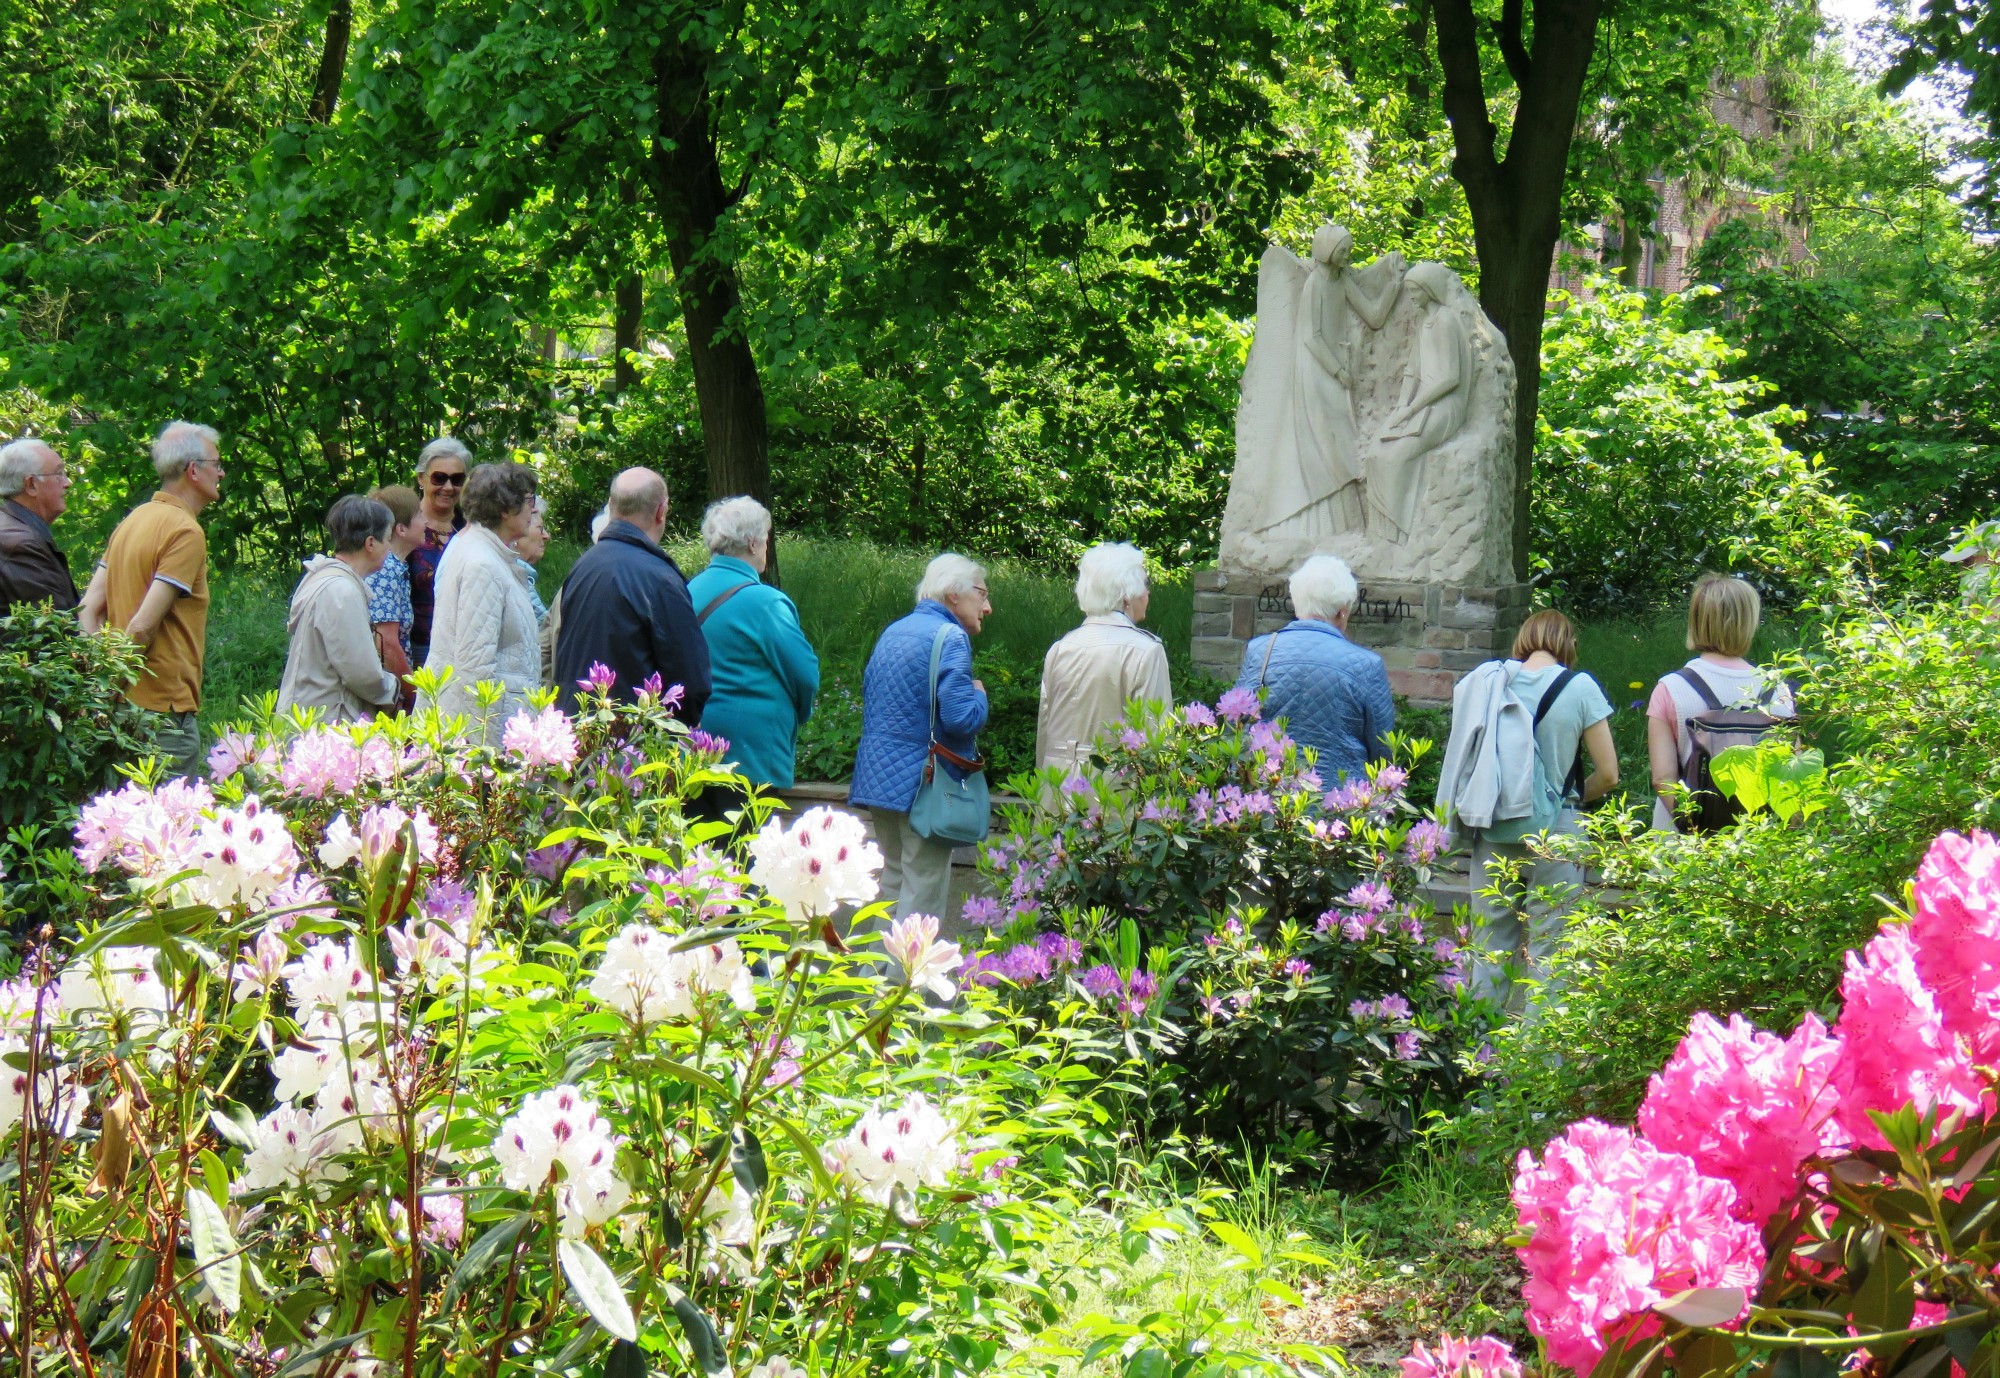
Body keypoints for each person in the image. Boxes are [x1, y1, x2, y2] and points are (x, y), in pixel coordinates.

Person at [1460, 610, 1620, 1007]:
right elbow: (1610, 774)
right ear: (1569, 644)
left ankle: (1479, 1058)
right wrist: (1569, 797)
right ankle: (1541, 1065)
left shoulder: (1492, 682)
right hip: (1558, 831)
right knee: (1552, 952)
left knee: (1490, 948)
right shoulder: (1580, 687)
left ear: (1523, 638)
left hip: (1495, 825)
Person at [849, 554, 991, 924]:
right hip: (924, 783)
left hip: (879, 779)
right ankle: (906, 982)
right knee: (923, 890)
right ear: (953, 594)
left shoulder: (894, 631)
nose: (987, 607)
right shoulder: (950, 637)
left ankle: (874, 976)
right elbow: (961, 720)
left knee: (893, 880)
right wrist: (980, 695)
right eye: (982, 594)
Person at [78, 422, 223, 778]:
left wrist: (103, 685)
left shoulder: (133, 520)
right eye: (217, 464)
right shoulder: (186, 532)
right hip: (163, 715)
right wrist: (112, 682)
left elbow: (87, 609)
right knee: (171, 827)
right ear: (193, 470)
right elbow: (142, 626)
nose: (220, 472)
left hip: (121, 710)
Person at [553, 469, 710, 720]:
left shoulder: (582, 567)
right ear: (661, 511)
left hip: (577, 732)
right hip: (631, 743)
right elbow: (690, 683)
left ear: (611, 507)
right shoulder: (659, 578)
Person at [685, 497, 820, 788]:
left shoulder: (687, 591)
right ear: (752, 543)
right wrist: (800, 714)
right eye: (766, 539)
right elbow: (805, 675)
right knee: (747, 832)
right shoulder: (766, 603)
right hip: (749, 756)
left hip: (692, 747)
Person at [1647, 573, 1796, 832]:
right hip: (1762, 846)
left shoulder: (1671, 688)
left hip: (1685, 848)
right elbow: (1793, 776)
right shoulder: (1777, 690)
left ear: (1696, 620)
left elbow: (1663, 778)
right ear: (1748, 622)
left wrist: (1698, 831)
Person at [1231, 554, 1393, 783]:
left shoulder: (1261, 651)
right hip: (1342, 804)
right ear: (1342, 610)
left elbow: (1237, 725)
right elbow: (1383, 751)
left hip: (1272, 798)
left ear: (1298, 603)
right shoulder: (1367, 665)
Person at [420, 461, 543, 742]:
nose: (532, 509)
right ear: (504, 508)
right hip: (486, 736)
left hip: (497, 722)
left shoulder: (486, 553)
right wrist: (482, 757)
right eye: (527, 501)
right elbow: (474, 667)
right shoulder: (482, 564)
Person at [1036, 542, 1171, 770]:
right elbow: (1154, 733)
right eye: (1144, 585)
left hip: (1056, 781)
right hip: (1112, 782)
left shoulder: (1060, 648)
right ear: (1127, 596)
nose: (1148, 593)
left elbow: (1045, 727)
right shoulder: (1146, 650)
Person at [277, 497, 402, 723]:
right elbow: (362, 674)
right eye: (388, 538)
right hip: (325, 726)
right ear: (371, 543)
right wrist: (394, 690)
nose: (390, 547)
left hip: (306, 716)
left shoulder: (323, 578)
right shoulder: (342, 592)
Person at [406, 437, 469, 669]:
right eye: (439, 478)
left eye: (457, 479)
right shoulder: (403, 528)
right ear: (421, 478)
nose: (448, 487)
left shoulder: (472, 529)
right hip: (415, 652)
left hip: (462, 652)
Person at [0, 437, 78, 614]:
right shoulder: (21, 545)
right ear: (31, 485)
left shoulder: (14, 529)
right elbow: (57, 630)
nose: (67, 483)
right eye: (58, 474)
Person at [363, 483, 421, 701]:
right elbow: (385, 642)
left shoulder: (395, 567)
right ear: (401, 529)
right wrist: (412, 696)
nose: (425, 523)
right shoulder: (387, 570)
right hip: (386, 696)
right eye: (419, 515)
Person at [510, 495, 550, 625]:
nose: (546, 536)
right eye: (540, 528)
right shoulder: (514, 578)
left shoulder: (521, 576)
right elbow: (544, 631)